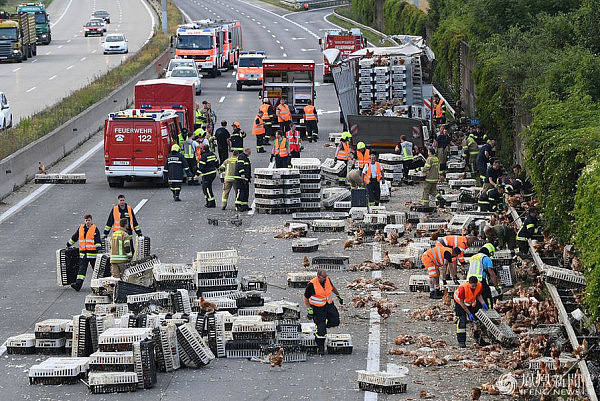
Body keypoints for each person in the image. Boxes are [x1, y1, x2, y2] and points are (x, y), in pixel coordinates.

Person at [303, 270, 343, 356]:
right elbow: (305, 298)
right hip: (318, 308)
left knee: (335, 320)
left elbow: (332, 287)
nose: (325, 279)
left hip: (328, 304)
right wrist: (309, 309)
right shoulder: (312, 285)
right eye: (323, 277)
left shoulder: (327, 280)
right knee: (321, 330)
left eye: (326, 277)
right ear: (318, 276)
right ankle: (320, 347)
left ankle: (324, 326)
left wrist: (338, 295)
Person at [66, 214, 102, 291]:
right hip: (83, 253)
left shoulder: (95, 229)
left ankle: (100, 285)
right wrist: (69, 243)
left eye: (89, 220)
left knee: (96, 270)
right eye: (86, 220)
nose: (87, 222)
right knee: (81, 270)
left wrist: (99, 248)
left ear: (91, 220)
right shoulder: (81, 228)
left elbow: (97, 240)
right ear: (84, 220)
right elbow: (75, 237)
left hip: (92, 254)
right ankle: (78, 285)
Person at [453, 276, 488, 348]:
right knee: (462, 321)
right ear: (469, 283)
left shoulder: (479, 285)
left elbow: (478, 295)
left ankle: (479, 340)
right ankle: (461, 341)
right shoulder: (463, 288)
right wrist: (469, 313)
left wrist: (483, 303)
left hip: (469, 302)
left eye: (475, 286)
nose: (474, 287)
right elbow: (462, 303)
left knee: (476, 321)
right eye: (473, 286)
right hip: (459, 303)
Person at [467, 243, 498, 309]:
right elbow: (492, 274)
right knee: (487, 298)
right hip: (480, 281)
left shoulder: (473, 257)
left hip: (470, 281)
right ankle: (490, 312)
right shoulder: (486, 258)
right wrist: (496, 286)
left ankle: (476, 315)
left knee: (475, 299)